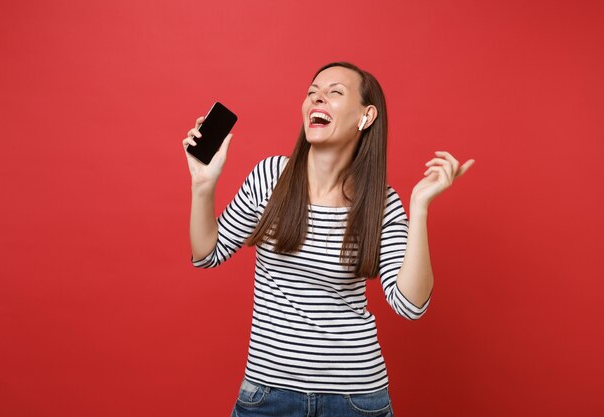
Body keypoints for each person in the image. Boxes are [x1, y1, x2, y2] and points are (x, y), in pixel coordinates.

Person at [182, 62, 474, 417]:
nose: (317, 97)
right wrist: (203, 184)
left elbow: (410, 305)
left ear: (366, 117)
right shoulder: (271, 177)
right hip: (267, 394)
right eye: (312, 92)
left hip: (356, 399)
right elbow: (206, 253)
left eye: (334, 92)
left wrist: (420, 206)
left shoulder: (381, 202)